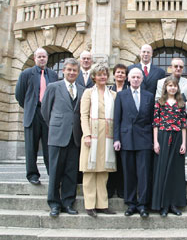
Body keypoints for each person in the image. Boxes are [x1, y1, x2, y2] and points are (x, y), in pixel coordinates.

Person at [41, 58, 84, 217]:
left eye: (75, 70)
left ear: (78, 73)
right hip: (58, 135)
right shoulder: (53, 87)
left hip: (75, 137)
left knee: (70, 172)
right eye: (69, 70)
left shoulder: (82, 89)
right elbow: (45, 111)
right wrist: (56, 125)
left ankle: (68, 202)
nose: (72, 72)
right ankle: (54, 204)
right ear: (63, 71)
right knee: (55, 170)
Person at [113, 68, 155, 218]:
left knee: (143, 173)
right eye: (133, 77)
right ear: (128, 79)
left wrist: (153, 140)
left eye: (138, 77)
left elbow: (152, 120)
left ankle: (143, 204)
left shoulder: (149, 96)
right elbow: (116, 119)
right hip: (127, 139)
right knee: (129, 173)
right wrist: (116, 138)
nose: (136, 79)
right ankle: (131, 203)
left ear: (142, 79)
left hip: (144, 139)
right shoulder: (121, 96)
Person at [15, 47, 58, 185]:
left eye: (44, 56)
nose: (42, 59)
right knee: (31, 146)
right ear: (35, 59)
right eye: (39, 56)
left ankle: (52, 173)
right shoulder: (26, 74)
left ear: (47, 58)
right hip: (33, 113)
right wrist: (29, 107)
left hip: (48, 115)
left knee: (49, 146)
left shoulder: (53, 75)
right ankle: (33, 175)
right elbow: (20, 95)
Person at [79, 63, 117, 217]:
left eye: (104, 74)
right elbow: (83, 115)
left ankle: (102, 204)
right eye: (99, 74)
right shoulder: (88, 93)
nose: (102, 77)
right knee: (89, 170)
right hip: (91, 135)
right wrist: (86, 134)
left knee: (103, 171)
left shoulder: (113, 94)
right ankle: (89, 205)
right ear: (94, 77)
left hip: (107, 135)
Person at [152, 76, 187, 217]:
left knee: (175, 172)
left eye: (175, 86)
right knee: (163, 170)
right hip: (163, 136)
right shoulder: (159, 103)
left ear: (177, 88)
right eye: (170, 85)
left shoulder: (181, 103)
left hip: (178, 137)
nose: (172, 88)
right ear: (165, 87)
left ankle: (174, 204)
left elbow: (184, 124)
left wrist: (184, 143)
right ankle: (163, 205)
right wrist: (156, 142)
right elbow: (155, 123)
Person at [107, 64, 128, 199]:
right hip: (110, 129)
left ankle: (121, 188)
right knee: (110, 159)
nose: (120, 75)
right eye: (118, 72)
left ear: (126, 76)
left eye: (122, 73)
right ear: (114, 75)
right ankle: (110, 188)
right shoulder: (108, 90)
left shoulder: (129, 90)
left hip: (124, 129)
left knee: (121, 162)